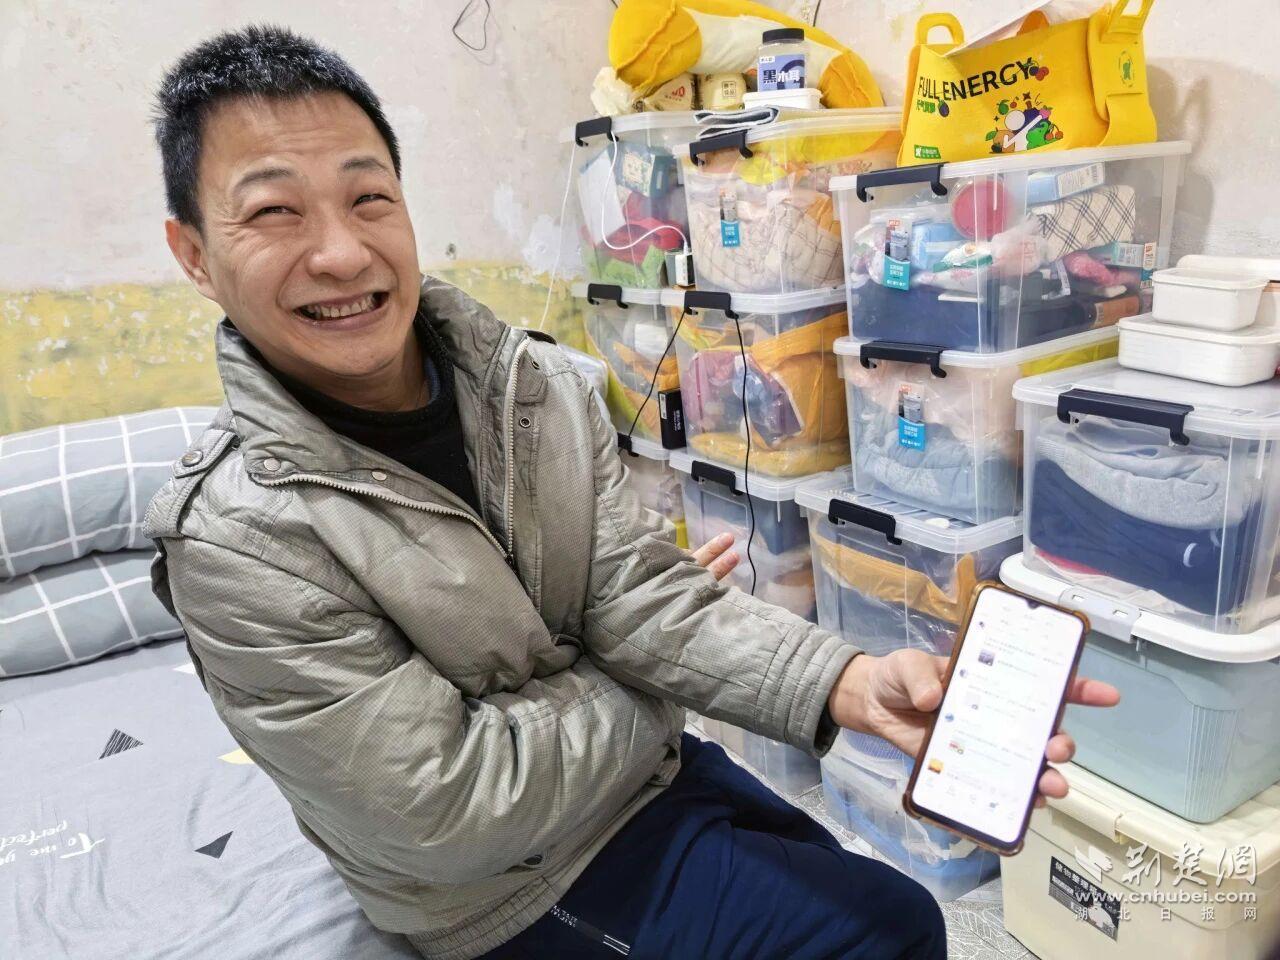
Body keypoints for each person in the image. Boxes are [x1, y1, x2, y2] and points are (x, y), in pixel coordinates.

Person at [145, 25, 1118, 960]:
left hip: (642, 776)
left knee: (865, 890)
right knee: (887, 931)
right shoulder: (236, 540)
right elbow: (446, 808)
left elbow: (635, 594)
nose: (342, 253)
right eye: (272, 212)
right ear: (193, 254)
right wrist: (646, 677)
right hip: (504, 889)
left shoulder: (532, 387)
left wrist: (847, 683)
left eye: (367, 198)